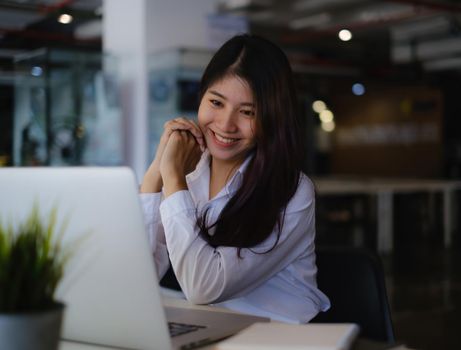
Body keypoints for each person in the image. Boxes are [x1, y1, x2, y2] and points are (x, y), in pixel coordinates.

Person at [139, 34, 330, 323]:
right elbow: (139, 276)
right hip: (214, 327)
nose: (226, 125)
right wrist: (155, 174)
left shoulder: (292, 191)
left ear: (272, 118)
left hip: (282, 336)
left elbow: (203, 287)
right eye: (216, 102)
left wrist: (173, 179)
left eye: (248, 112)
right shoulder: (191, 173)